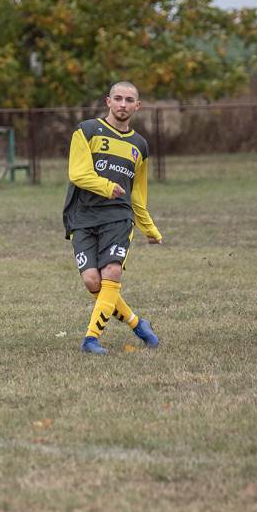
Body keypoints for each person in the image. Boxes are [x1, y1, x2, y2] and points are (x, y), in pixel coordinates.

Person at [64, 81, 162, 355]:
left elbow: (138, 195)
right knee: (92, 282)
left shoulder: (139, 146)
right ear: (107, 101)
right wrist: (107, 187)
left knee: (112, 272)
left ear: (137, 106)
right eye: (117, 98)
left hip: (119, 217)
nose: (123, 104)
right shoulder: (87, 131)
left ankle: (91, 340)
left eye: (129, 100)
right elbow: (78, 174)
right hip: (82, 215)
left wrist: (149, 228)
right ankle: (137, 323)